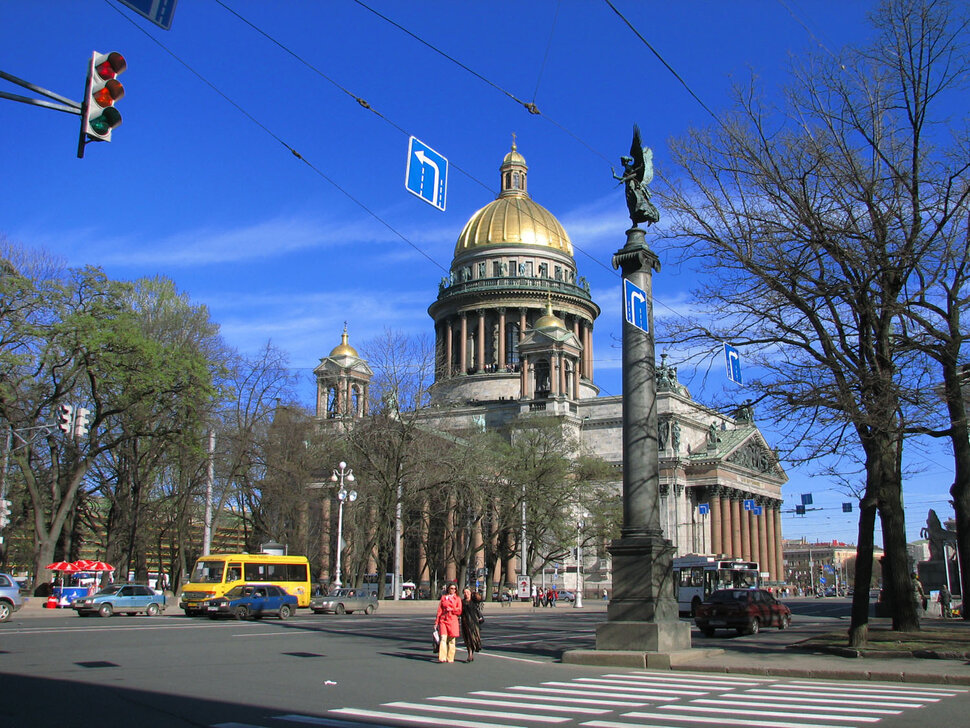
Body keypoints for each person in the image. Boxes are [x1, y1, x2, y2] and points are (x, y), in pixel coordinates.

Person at [434, 583, 462, 663]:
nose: (453, 590)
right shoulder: (443, 598)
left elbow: (459, 611)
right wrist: (436, 622)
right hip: (443, 620)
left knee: (452, 640)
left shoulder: (457, 599)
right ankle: (442, 657)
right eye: (451, 588)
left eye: (454, 589)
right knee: (443, 638)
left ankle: (450, 658)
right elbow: (439, 610)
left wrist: (452, 609)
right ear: (448, 589)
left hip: (453, 621)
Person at [460, 588, 483, 663]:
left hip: (473, 622)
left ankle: (472, 652)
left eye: (467, 592)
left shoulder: (474, 601)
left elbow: (480, 599)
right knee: (467, 639)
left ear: (470, 593)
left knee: (473, 638)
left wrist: (475, 593)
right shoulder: (462, 602)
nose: (466, 593)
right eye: (464, 592)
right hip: (465, 622)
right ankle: (470, 654)